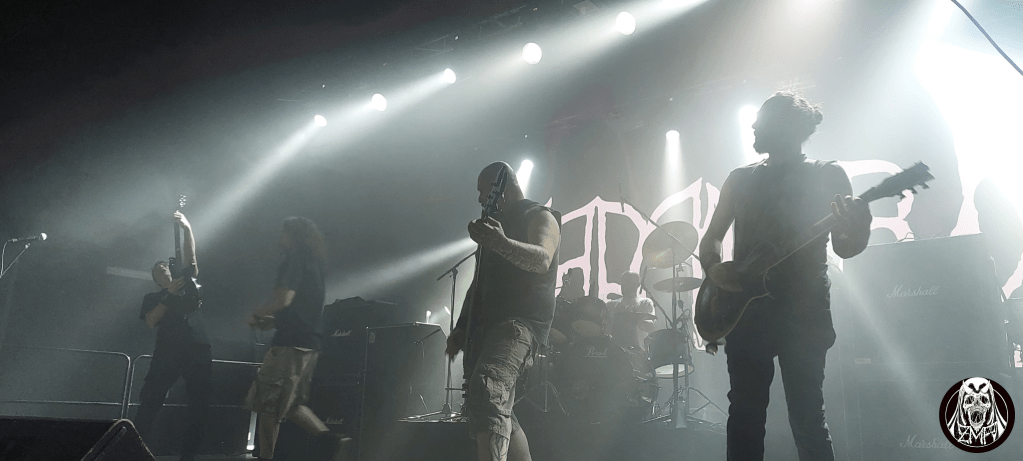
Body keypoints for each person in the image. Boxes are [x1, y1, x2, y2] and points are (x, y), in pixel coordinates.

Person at [698, 92, 872, 461]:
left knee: (807, 418)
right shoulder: (740, 178)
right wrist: (713, 268)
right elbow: (712, 235)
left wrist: (860, 227)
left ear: (785, 127)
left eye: (761, 121)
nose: (753, 126)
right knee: (744, 417)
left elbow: (845, 247)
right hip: (746, 313)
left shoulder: (827, 174)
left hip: (804, 313)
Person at [446, 162, 561, 461]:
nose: (480, 199)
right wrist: (460, 329)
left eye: (483, 191)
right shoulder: (494, 230)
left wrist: (501, 242)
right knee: (488, 405)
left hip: (519, 324)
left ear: (502, 188)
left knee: (488, 388)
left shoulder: (539, 215)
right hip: (488, 327)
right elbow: (478, 285)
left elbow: (542, 259)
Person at [245, 216, 346, 461]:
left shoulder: (295, 259)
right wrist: (274, 321)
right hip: (309, 344)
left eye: (284, 233)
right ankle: (331, 442)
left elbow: (285, 299)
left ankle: (266, 457)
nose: (280, 238)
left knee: (268, 404)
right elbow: (302, 309)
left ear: (293, 235)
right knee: (292, 405)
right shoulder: (314, 264)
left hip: (289, 345)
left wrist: (258, 313)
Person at [134, 211, 210, 461]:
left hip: (197, 347)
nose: (163, 268)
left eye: (165, 266)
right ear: (156, 280)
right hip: (167, 350)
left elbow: (191, 258)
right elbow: (151, 321)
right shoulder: (153, 297)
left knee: (199, 404)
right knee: (151, 399)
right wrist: (169, 295)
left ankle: (188, 456)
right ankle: (136, 452)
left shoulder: (188, 282)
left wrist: (187, 229)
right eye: (158, 269)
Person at [607, 270, 657, 351]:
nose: (623, 284)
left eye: (628, 281)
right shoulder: (611, 305)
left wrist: (631, 316)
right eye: (622, 281)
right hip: (614, 350)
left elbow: (650, 327)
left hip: (637, 352)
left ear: (638, 284)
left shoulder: (645, 303)